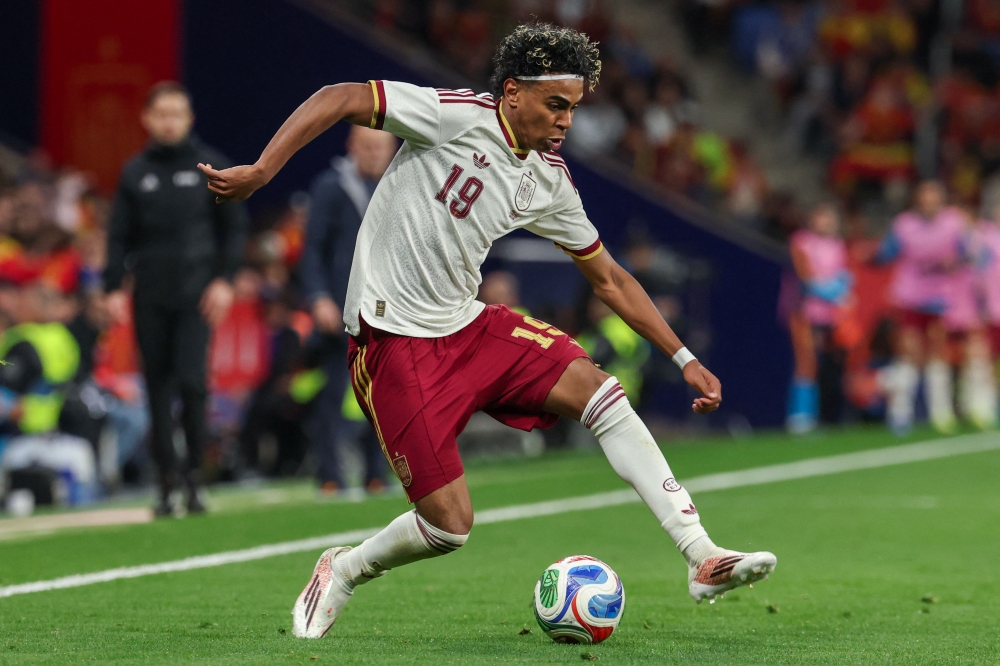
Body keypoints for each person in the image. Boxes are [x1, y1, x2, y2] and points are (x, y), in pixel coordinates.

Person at [199, 22, 776, 639]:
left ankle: (700, 555)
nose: (565, 121)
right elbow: (340, 96)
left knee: (600, 391)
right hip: (391, 340)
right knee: (448, 526)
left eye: (573, 108)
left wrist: (683, 356)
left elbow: (609, 279)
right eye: (555, 104)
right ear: (512, 92)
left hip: (467, 325)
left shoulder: (548, 180)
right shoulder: (454, 116)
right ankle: (343, 569)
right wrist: (263, 170)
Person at [103, 82, 249, 517]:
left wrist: (225, 281)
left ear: (189, 119)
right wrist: (112, 288)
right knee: (156, 386)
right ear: (147, 119)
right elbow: (117, 236)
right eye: (162, 114)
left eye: (177, 114)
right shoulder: (134, 172)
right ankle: (166, 483)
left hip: (195, 296)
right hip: (149, 295)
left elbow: (235, 228)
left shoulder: (210, 166)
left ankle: (195, 480)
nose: (169, 122)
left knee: (192, 382)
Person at [299, 126, 397, 494]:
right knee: (334, 394)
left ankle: (377, 473)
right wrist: (318, 296)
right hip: (341, 307)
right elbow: (313, 249)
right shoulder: (331, 187)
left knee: (384, 393)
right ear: (352, 146)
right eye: (367, 146)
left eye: (380, 147)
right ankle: (329, 475)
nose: (374, 153)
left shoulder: (398, 185)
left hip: (386, 308)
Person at [875, 181, 968, 434]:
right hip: (910, 297)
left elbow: (968, 254)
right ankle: (900, 413)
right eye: (924, 199)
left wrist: (955, 261)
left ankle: (941, 413)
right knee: (910, 353)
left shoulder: (954, 222)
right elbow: (885, 253)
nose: (929, 203)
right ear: (917, 201)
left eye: (934, 199)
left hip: (939, 298)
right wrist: (874, 255)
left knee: (937, 353)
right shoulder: (904, 224)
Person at [787, 204, 854, 433]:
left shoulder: (838, 245)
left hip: (831, 316)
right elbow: (806, 278)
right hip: (804, 313)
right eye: (821, 217)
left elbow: (845, 276)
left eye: (830, 218)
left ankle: (825, 416)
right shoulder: (801, 241)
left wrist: (842, 291)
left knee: (831, 366)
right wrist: (835, 291)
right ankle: (800, 416)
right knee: (806, 362)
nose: (826, 223)